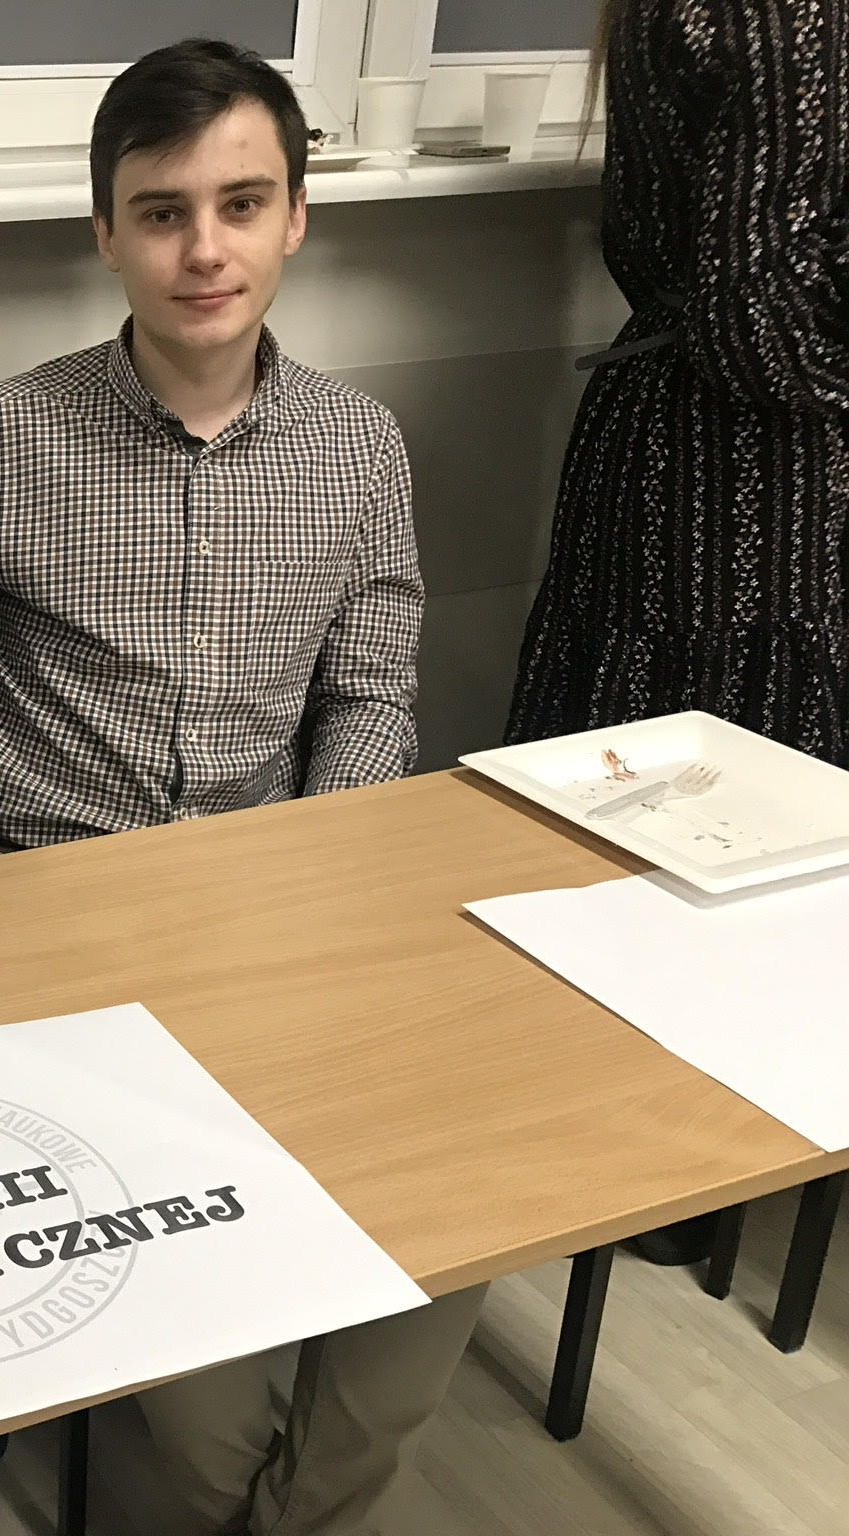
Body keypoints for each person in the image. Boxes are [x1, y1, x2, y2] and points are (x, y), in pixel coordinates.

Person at [0, 40, 479, 1533]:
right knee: (207, 1394)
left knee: (466, 1199)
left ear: (295, 218)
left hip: (280, 912)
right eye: (161, 212)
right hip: (57, 929)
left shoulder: (359, 447)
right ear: (106, 232)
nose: (202, 249)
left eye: (240, 203)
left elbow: (371, 693)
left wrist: (312, 882)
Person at [506, 0, 847, 1267]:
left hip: (703, 450)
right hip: (742, 467)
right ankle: (666, 1168)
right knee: (710, 808)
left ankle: (634, 1153)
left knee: (665, 793)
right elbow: (754, 305)